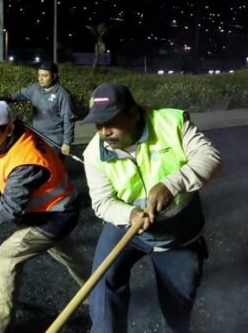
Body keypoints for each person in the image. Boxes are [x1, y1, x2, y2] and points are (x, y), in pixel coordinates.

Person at [81, 83, 221, 333]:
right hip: (125, 228)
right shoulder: (94, 153)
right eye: (98, 125)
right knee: (102, 290)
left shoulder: (171, 124)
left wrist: (171, 184)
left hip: (178, 234)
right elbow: (102, 203)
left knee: (177, 310)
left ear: (133, 113)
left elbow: (210, 157)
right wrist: (129, 214)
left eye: (111, 122)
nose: (104, 132)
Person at [0, 100, 91, 333]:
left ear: (8, 128)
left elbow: (7, 209)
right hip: (59, 207)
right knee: (65, 251)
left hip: (53, 216)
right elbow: (12, 150)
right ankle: (99, 290)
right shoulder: (21, 133)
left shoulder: (25, 164)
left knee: (7, 256)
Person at [2, 61, 75, 156]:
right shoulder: (35, 88)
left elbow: (68, 119)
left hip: (54, 141)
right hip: (37, 137)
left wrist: (67, 143)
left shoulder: (62, 95)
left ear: (54, 76)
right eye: (39, 75)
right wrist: (6, 98)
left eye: (45, 76)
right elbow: (21, 94)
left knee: (51, 169)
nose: (40, 79)